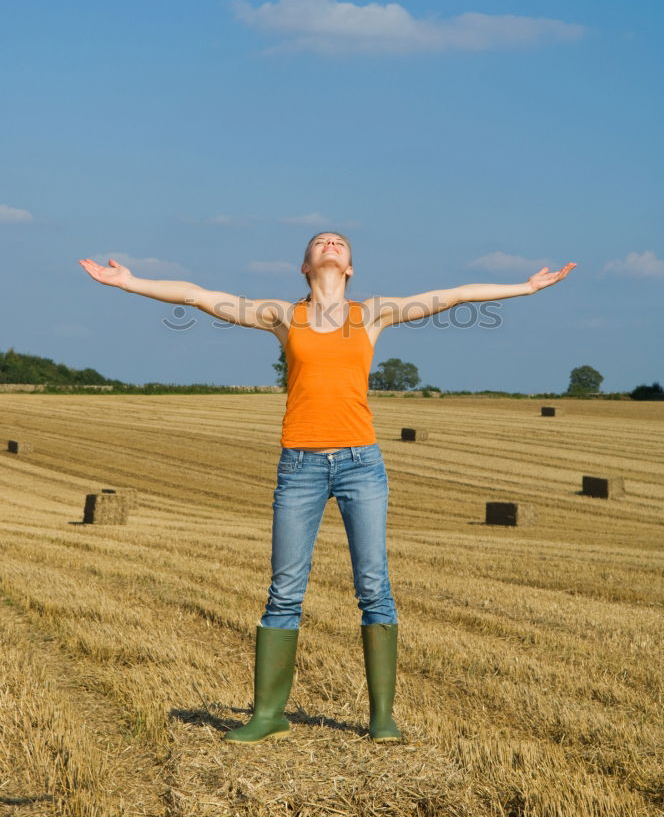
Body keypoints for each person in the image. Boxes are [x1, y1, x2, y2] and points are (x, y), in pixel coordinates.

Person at [79, 236, 576, 745]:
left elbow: (455, 295)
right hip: (300, 465)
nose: (330, 244)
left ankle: (382, 716)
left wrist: (525, 287)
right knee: (285, 590)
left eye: (338, 242)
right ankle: (269, 713)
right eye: (321, 243)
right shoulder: (280, 315)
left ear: (351, 267)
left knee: (374, 587)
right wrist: (130, 282)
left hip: (362, 463)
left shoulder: (374, 313)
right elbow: (196, 295)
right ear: (305, 265)